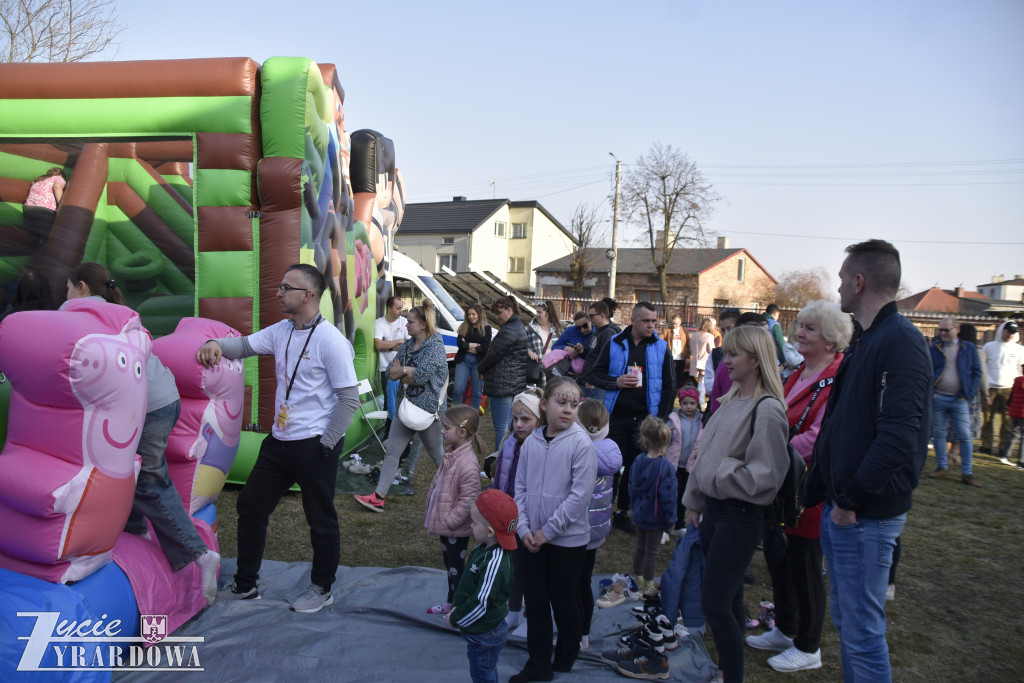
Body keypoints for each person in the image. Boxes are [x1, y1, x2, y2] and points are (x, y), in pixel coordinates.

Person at [803, 239, 932, 682]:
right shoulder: (868, 339)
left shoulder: (901, 342)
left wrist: (851, 499)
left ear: (859, 282)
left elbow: (899, 437)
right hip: (846, 509)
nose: (837, 287)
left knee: (862, 632)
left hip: (863, 515)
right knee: (849, 622)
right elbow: (845, 422)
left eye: (842, 278)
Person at [197, 263, 359, 613]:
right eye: (280, 285)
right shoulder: (282, 330)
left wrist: (325, 445)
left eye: (287, 287)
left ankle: (322, 588)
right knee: (251, 506)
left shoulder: (331, 341)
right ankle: (245, 585)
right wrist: (215, 344)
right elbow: (242, 346)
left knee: (320, 519)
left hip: (316, 443)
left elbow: (349, 401)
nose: (279, 292)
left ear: (308, 295)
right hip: (280, 442)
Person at [65, 263, 221, 605]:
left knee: (149, 478)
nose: (66, 297)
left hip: (147, 406)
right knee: (127, 472)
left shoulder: (80, 310)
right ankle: (134, 532)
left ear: (80, 287)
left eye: (67, 288)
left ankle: (198, 554)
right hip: (159, 401)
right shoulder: (118, 311)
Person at [746, 299, 852, 673]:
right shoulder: (797, 372)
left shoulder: (839, 377)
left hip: (808, 485)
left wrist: (773, 451)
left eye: (809, 328)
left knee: (805, 564)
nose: (798, 333)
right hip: (781, 479)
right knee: (780, 557)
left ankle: (809, 646)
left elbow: (820, 436)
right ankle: (787, 627)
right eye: (800, 326)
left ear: (831, 339)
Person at [683, 325, 789, 683]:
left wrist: (721, 475)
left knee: (716, 603)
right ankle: (728, 669)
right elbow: (704, 457)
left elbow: (765, 478)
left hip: (740, 519)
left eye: (732, 354)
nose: (724, 359)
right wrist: (696, 501)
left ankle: (732, 676)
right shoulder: (729, 403)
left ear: (756, 361)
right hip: (716, 513)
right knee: (726, 602)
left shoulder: (768, 410)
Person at [511, 377, 597, 683]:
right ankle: (538, 664)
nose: (569, 410)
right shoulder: (531, 442)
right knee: (535, 603)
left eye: (574, 405)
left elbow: (579, 497)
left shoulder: (581, 444)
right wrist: (523, 529)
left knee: (563, 600)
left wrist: (548, 532)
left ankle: (565, 655)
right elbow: (519, 488)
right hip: (531, 537)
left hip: (566, 542)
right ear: (544, 405)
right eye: (562, 402)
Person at [589, 302, 675, 535]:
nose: (651, 326)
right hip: (616, 416)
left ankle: (623, 512)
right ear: (634, 321)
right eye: (647, 321)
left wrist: (662, 419)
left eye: (654, 321)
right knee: (610, 467)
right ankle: (602, 509)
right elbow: (594, 373)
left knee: (636, 467)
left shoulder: (661, 347)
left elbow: (670, 386)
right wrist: (615, 381)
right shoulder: (615, 343)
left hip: (645, 420)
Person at [355, 301, 448, 512]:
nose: (406, 324)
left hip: (428, 412)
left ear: (424, 325)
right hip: (406, 407)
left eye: (411, 321)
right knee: (392, 452)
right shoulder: (407, 345)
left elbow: (422, 377)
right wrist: (408, 371)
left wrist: (403, 371)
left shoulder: (435, 347)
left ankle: (453, 493)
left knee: (437, 455)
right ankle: (378, 497)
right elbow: (389, 372)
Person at [447, 489, 518, 683]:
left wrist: (456, 618)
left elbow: (481, 603)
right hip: (481, 629)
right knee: (483, 671)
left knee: (482, 674)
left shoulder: (494, 562)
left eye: (474, 522)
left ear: (490, 531)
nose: (471, 526)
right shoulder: (484, 549)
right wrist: (458, 603)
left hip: (485, 633)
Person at [490, 387, 544, 632]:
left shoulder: (541, 447)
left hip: (530, 519)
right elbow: (500, 472)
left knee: (529, 569)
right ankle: (512, 611)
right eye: (515, 419)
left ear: (539, 420)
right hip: (508, 514)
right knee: (511, 567)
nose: (519, 425)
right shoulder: (509, 441)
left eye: (526, 419)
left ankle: (531, 615)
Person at [425, 404, 484, 615]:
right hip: (446, 527)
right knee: (450, 567)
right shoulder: (451, 455)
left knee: (457, 570)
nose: (442, 431)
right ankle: (451, 602)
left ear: (462, 432)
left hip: (454, 529)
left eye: (446, 427)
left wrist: (449, 521)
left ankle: (459, 608)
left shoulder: (467, 464)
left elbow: (468, 500)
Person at [576, 398, 622, 651]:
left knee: (572, 583)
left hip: (575, 529)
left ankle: (572, 630)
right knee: (584, 581)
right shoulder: (612, 450)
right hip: (596, 529)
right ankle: (584, 633)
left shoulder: (579, 450)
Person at [926, 316, 983, 486]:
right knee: (939, 434)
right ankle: (941, 467)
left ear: (957, 329)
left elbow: (976, 372)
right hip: (939, 398)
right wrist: (932, 393)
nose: (942, 333)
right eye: (940, 330)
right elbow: (927, 372)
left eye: (946, 330)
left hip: (960, 399)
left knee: (965, 436)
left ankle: (967, 473)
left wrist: (968, 394)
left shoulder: (969, 349)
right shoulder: (934, 348)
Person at [629, 416, 677, 594]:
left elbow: (631, 488)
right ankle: (648, 584)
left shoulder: (638, 461)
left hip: (639, 515)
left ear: (644, 439)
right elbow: (669, 498)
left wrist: (634, 508)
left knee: (640, 548)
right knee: (651, 552)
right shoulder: (666, 467)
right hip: (655, 519)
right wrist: (671, 520)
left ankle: (637, 577)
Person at [477, 296, 528, 450]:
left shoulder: (509, 329)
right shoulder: (517, 326)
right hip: (512, 384)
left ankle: (497, 463)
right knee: (508, 427)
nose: (497, 317)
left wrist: (481, 368)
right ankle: (506, 461)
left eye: (499, 313)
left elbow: (495, 354)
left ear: (509, 309)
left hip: (503, 385)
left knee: (502, 428)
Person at [705, 312, 771, 419]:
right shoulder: (734, 368)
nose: (768, 338)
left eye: (768, 332)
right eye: (763, 333)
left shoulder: (769, 406)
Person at [981, 321, 1024, 455]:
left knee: (1007, 421)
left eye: (1013, 332)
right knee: (988, 419)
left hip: (1009, 388)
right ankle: (986, 445)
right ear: (1002, 331)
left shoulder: (1019, 349)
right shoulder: (989, 346)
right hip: (991, 387)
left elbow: (1020, 369)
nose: (1011, 334)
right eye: (1009, 331)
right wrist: (985, 386)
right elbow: (983, 365)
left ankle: (1003, 447)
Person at [667, 386, 702, 535]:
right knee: (671, 494)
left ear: (697, 404)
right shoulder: (673, 419)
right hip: (674, 463)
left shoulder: (701, 420)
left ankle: (679, 523)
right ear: (680, 403)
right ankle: (667, 523)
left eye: (692, 403)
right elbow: (667, 438)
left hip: (689, 465)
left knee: (683, 496)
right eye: (685, 403)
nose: (688, 406)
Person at [579, 299, 621, 401]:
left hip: (596, 385)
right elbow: (593, 354)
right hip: (590, 381)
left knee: (592, 415)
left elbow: (604, 360)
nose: (589, 319)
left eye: (592, 316)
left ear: (602, 315)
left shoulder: (608, 333)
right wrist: (582, 350)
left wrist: (593, 380)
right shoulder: (599, 332)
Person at [374, 295, 409, 416]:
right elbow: (378, 345)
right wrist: (399, 342)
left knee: (403, 400)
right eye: (398, 308)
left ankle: (401, 427)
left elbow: (408, 345)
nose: (401, 311)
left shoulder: (404, 322)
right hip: (386, 368)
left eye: (401, 308)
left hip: (402, 367)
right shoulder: (379, 323)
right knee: (389, 400)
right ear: (389, 309)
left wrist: (387, 345)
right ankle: (389, 429)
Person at [454, 303, 492, 410]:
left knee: (477, 392)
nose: (471, 317)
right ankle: (456, 415)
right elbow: (460, 345)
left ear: (479, 314)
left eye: (473, 314)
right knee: (458, 389)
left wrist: (467, 345)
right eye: (469, 314)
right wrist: (475, 345)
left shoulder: (487, 329)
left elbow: (485, 347)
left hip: (479, 363)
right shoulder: (464, 327)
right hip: (463, 361)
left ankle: (473, 419)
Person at [22, 167, 66, 244]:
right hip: (44, 210)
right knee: (47, 239)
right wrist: (61, 206)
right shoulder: (58, 178)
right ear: (60, 174)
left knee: (37, 237)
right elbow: (57, 187)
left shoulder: (38, 180)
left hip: (28, 209)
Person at [525, 300, 562, 388]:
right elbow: (520, 344)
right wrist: (529, 352)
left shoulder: (558, 330)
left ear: (548, 313)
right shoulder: (530, 328)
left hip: (553, 371)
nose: (537, 314)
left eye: (540, 312)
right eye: (536, 312)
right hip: (536, 371)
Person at [998, 374, 1024, 468]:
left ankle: (1005, 456)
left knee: (1013, 434)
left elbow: (1011, 396)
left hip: (1014, 411)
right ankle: (1021, 462)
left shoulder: (1017, 380)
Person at [689, 318, 716, 405]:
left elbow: (691, 348)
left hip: (695, 361)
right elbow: (712, 350)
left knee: (699, 382)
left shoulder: (694, 335)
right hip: (704, 361)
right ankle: (701, 401)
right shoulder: (709, 336)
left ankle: (697, 400)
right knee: (702, 382)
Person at [665, 314, 690, 389]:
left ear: (680, 322)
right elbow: (660, 339)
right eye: (672, 323)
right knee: (671, 374)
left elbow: (688, 343)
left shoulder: (684, 331)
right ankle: (671, 389)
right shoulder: (667, 330)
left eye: (676, 323)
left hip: (681, 357)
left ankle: (677, 390)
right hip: (671, 357)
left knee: (679, 375)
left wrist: (688, 356)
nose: (674, 325)